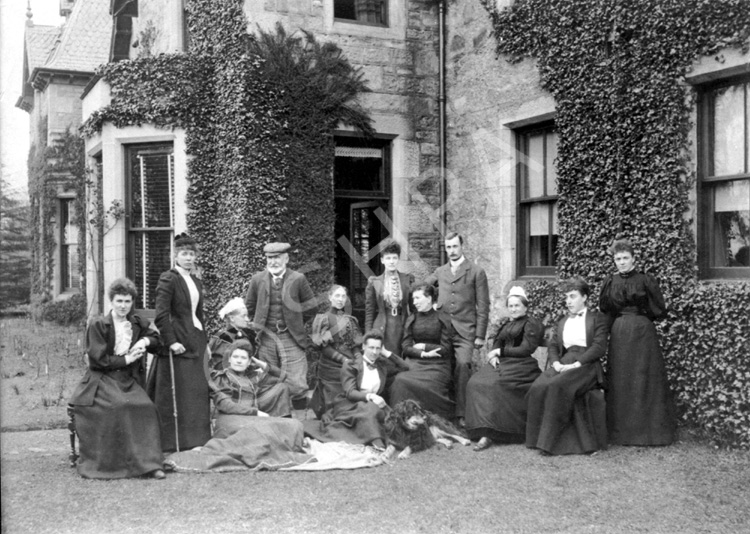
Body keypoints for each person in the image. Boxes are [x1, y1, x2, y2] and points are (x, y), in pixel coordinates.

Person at [69, 278, 164, 479]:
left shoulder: (136, 322)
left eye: (127, 302)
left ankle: (149, 464)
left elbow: (157, 340)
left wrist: (145, 341)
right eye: (119, 301)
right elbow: (97, 360)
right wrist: (127, 358)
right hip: (102, 378)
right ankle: (115, 464)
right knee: (119, 406)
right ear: (111, 301)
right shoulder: (99, 324)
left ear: (132, 303)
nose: (123, 306)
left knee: (146, 407)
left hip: (128, 380)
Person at [599, 239, 676, 446]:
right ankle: (622, 433)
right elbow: (606, 310)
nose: (622, 262)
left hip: (643, 332)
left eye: (625, 258)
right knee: (621, 378)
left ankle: (649, 433)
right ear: (614, 261)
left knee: (644, 377)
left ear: (633, 259)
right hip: (619, 331)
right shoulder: (610, 281)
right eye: (618, 259)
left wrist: (640, 319)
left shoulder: (645, 280)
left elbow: (658, 308)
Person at [525, 277, 609, 455]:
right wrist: (556, 363)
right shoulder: (563, 321)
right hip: (564, 362)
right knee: (539, 385)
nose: (568, 301)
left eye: (573, 296)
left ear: (584, 297)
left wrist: (578, 363)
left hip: (587, 365)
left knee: (557, 386)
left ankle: (548, 444)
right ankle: (535, 439)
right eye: (567, 297)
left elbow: (599, 347)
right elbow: (554, 345)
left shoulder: (597, 319)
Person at [151, 233, 211, 452]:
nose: (188, 258)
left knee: (197, 392)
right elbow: (161, 315)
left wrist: (206, 340)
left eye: (192, 254)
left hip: (197, 340)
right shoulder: (169, 278)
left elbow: (198, 314)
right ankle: (175, 442)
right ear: (175, 255)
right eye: (184, 254)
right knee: (182, 393)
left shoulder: (195, 280)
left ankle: (198, 440)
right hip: (179, 344)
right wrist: (171, 341)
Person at [465, 286, 543, 451]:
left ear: (525, 307)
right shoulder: (507, 324)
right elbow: (498, 342)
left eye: (517, 305)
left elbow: (526, 349)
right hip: (502, 362)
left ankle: (494, 432)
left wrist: (500, 352)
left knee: (495, 385)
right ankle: (480, 428)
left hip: (522, 365)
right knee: (475, 382)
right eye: (511, 306)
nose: (513, 309)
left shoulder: (531, 324)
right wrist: (493, 355)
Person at [425, 232, 490, 426]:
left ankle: (461, 414)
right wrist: (433, 302)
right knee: (440, 365)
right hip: (443, 330)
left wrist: (480, 335)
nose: (451, 251)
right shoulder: (440, 271)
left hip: (465, 332)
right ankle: (441, 410)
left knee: (463, 365)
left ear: (462, 246)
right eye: (448, 247)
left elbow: (483, 305)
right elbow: (422, 288)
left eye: (455, 246)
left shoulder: (476, 272)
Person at [304, 331, 409, 448]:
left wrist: (386, 352)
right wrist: (371, 396)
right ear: (363, 346)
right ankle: (376, 440)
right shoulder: (351, 365)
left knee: (392, 419)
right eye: (371, 347)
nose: (374, 352)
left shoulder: (381, 366)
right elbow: (350, 392)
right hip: (350, 404)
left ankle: (382, 438)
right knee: (370, 410)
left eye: (378, 348)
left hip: (373, 404)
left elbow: (404, 367)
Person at [246, 242, 317, 410]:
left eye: (277, 257)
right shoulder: (257, 279)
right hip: (266, 337)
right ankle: (273, 416)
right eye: (270, 258)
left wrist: (295, 323)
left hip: (290, 336)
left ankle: (301, 421)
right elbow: (249, 306)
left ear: (286, 258)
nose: (273, 262)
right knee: (267, 377)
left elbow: (311, 307)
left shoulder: (298, 278)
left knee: (297, 381)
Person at [388, 284, 456, 420]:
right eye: (413, 299)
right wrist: (421, 353)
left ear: (429, 298)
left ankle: (431, 420)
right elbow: (406, 347)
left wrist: (424, 346)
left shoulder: (442, 318)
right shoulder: (412, 319)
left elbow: (446, 349)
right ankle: (401, 421)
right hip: (416, 361)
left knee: (429, 385)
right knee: (400, 380)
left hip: (438, 363)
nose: (414, 302)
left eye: (418, 298)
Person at [210, 339, 292, 437]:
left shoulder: (252, 376)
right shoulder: (222, 377)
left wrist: (262, 364)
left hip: (252, 417)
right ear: (229, 359)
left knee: (281, 387)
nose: (239, 361)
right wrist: (255, 412)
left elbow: (282, 376)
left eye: (243, 358)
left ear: (249, 362)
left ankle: (284, 428)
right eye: (235, 357)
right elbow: (226, 406)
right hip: (232, 419)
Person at [309, 285, 364, 418]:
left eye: (343, 296)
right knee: (335, 407)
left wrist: (358, 357)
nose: (340, 299)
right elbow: (324, 347)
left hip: (349, 363)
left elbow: (355, 344)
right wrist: (344, 360)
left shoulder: (351, 320)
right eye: (337, 296)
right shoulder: (323, 319)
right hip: (331, 366)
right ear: (330, 297)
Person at [365, 240, 413, 353]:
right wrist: (368, 336)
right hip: (382, 327)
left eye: (394, 258)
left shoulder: (408, 279)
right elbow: (369, 311)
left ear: (398, 259)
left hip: (402, 325)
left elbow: (414, 308)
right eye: (388, 258)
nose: (391, 262)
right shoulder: (374, 282)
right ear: (382, 260)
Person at [208, 297, 259, 371]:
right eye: (243, 316)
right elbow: (221, 366)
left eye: (247, 316)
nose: (247, 319)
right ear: (232, 318)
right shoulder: (222, 338)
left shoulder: (245, 335)